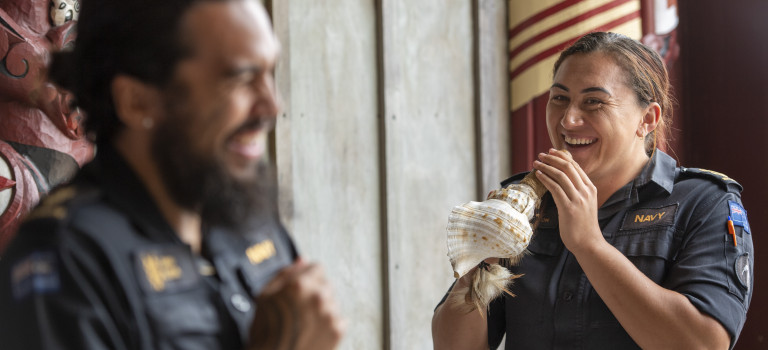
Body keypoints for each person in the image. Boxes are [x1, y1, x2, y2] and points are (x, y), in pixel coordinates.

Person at [0, 0, 344, 349]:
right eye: (240, 78)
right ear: (137, 101)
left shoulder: (246, 220)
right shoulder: (67, 261)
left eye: (270, 72)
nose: (272, 106)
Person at [432, 32, 753, 349]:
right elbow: (452, 346)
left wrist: (589, 244)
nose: (568, 120)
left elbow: (704, 344)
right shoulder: (526, 202)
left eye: (594, 102)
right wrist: (478, 265)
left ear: (647, 119)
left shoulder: (705, 203)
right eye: (559, 98)